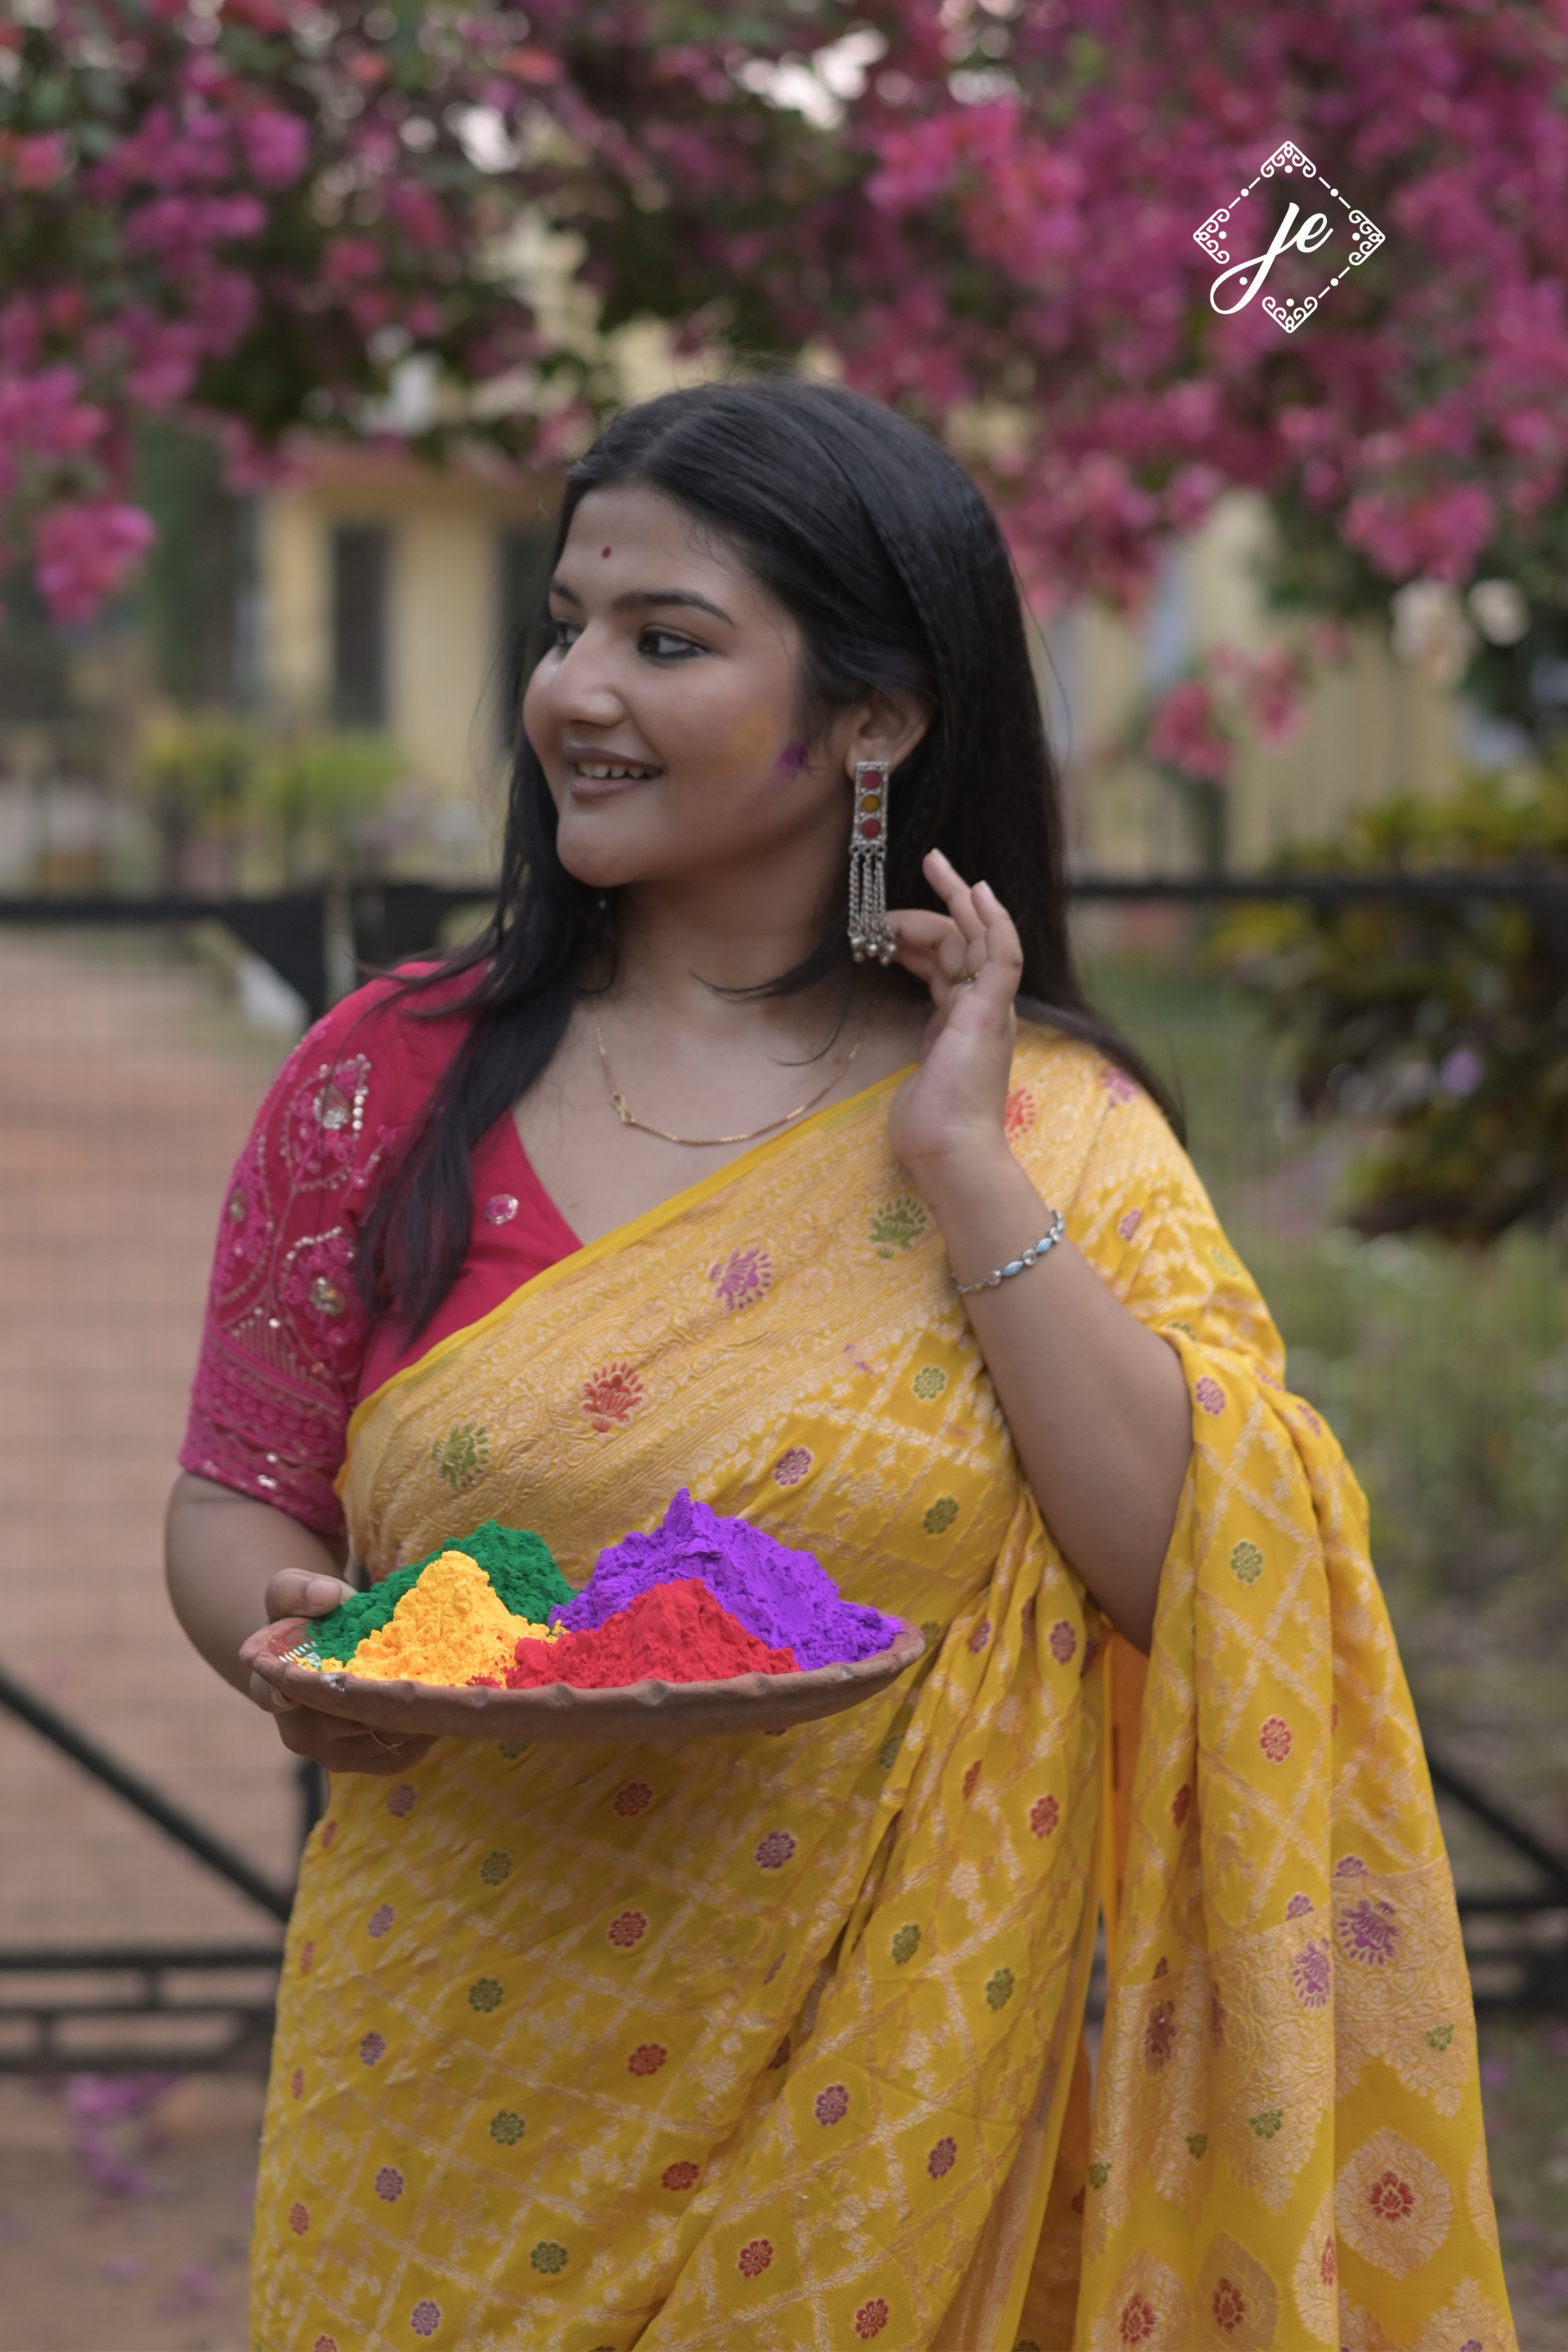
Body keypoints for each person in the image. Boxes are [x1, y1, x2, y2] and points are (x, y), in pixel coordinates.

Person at [167, 379, 1514, 2352]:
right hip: (440, 2091)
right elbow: (237, 1488)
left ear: (874, 718)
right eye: (567, 626)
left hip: (882, 2124)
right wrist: (283, 1637)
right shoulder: (389, 1073)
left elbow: (1205, 1558)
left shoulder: (1049, 1128)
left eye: (667, 639)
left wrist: (961, 1167)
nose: (575, 691)